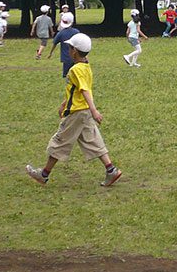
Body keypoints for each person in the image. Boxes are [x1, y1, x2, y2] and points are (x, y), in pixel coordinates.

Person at [26, 33, 122, 187]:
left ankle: (43, 174)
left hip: (76, 113)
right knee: (93, 140)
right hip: (83, 111)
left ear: (75, 51)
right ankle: (111, 170)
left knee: (60, 141)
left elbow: (85, 90)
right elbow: (77, 90)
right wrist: (65, 103)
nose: (68, 50)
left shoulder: (75, 70)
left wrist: (94, 110)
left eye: (70, 48)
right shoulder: (86, 66)